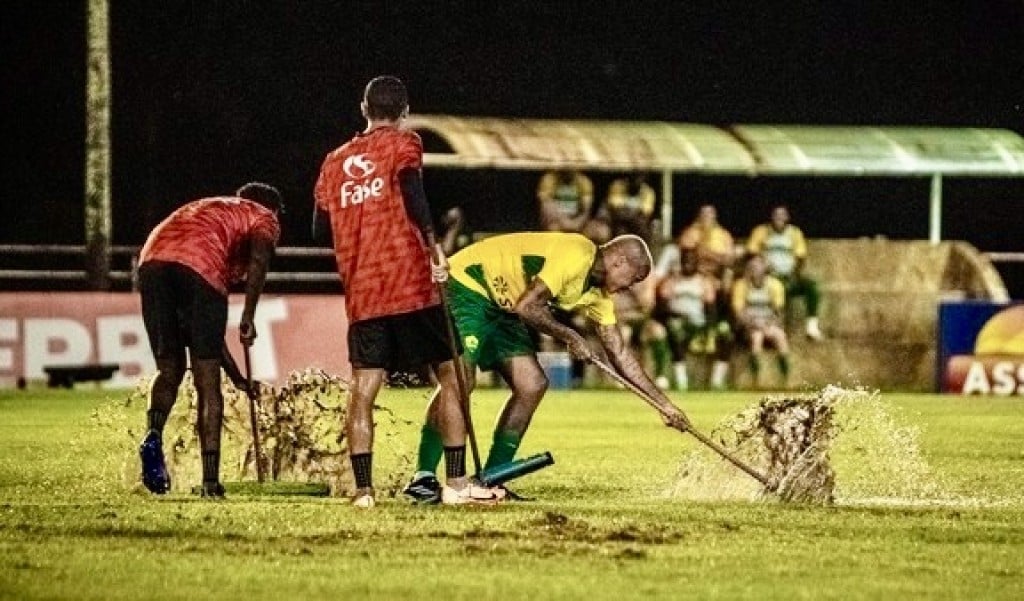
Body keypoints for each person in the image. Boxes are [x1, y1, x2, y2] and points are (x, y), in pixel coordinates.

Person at [313, 75, 498, 508]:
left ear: (364, 108)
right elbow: (414, 194)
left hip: (364, 293)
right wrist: (434, 248)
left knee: (363, 387)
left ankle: (363, 492)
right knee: (452, 376)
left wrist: (356, 243)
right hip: (411, 284)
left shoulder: (333, 161)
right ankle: (455, 485)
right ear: (405, 111)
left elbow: (320, 228)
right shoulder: (404, 143)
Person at [403, 232, 691, 503]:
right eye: (634, 278)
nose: (632, 287)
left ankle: (490, 480)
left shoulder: (598, 294)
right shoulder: (576, 255)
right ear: (619, 261)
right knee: (459, 382)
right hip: (468, 285)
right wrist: (570, 336)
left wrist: (664, 406)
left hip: (504, 307)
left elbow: (619, 352)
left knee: (532, 383)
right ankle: (424, 476)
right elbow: (527, 307)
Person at [136, 182, 283, 498]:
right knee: (206, 380)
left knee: (169, 369)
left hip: (151, 260)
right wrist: (248, 314)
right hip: (198, 263)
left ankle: (152, 434)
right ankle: (210, 482)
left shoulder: (215, 210)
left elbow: (210, 338)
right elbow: (259, 261)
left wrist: (239, 379)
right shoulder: (263, 216)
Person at [678, 204, 736, 389]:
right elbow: (688, 254)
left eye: (710, 215)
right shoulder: (691, 232)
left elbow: (729, 259)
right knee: (706, 287)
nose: (707, 218)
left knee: (727, 283)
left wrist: (707, 253)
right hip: (697, 276)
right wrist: (713, 256)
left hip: (716, 277)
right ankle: (707, 327)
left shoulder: (723, 235)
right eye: (703, 214)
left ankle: (722, 322)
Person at [746, 205, 823, 340]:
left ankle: (812, 326)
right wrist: (763, 264)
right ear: (771, 217)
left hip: (789, 275)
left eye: (782, 215)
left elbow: (800, 256)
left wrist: (795, 274)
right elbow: (752, 251)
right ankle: (779, 330)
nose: (779, 218)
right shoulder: (761, 231)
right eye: (776, 215)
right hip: (769, 277)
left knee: (812, 286)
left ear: (787, 218)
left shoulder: (794, 232)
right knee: (781, 289)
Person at [647, 248, 718, 391]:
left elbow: (711, 308)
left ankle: (708, 381)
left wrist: (708, 328)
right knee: (668, 329)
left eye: (691, 261)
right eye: (685, 261)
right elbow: (662, 306)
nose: (688, 264)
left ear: (696, 263)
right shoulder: (671, 281)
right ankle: (677, 378)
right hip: (674, 320)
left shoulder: (704, 282)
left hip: (697, 323)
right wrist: (675, 315)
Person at [731, 254, 791, 389]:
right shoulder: (741, 285)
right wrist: (753, 324)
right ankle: (756, 381)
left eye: (758, 267)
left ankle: (785, 380)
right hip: (749, 325)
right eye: (752, 267)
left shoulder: (775, 285)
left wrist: (768, 324)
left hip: (769, 323)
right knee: (756, 338)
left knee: (780, 337)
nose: (755, 270)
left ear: (765, 268)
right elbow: (739, 312)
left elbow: (778, 312)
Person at [537, 169, 608, 242]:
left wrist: (576, 223)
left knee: (602, 233)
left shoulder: (583, 181)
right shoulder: (549, 179)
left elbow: (586, 209)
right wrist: (564, 222)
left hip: (579, 223)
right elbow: (547, 206)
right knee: (553, 231)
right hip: (556, 223)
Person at [598, 172, 658, 245]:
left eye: (639, 180)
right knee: (620, 230)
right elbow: (615, 210)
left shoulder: (647, 191)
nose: (636, 182)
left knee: (644, 229)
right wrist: (632, 213)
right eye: (633, 179)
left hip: (636, 224)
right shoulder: (618, 186)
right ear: (627, 178)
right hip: (617, 222)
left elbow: (645, 214)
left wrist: (627, 213)